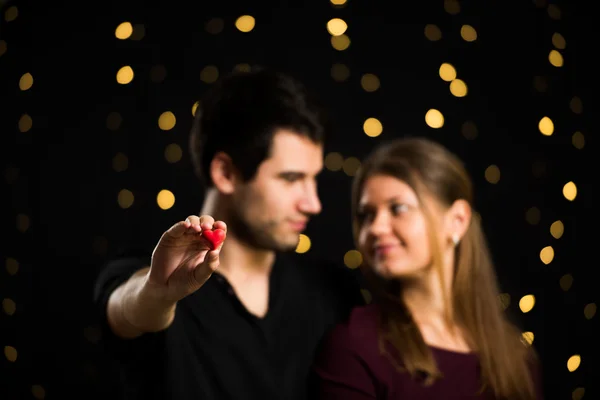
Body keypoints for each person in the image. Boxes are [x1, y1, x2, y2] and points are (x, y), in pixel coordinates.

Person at [93, 67, 364, 400]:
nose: (313, 204)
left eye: (314, 179)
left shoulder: (332, 292)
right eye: (291, 179)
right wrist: (158, 294)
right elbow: (129, 307)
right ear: (226, 173)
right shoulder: (149, 276)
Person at [309, 137, 543, 399]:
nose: (375, 228)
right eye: (366, 215)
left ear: (457, 220)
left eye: (398, 209)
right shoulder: (354, 347)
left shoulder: (514, 354)